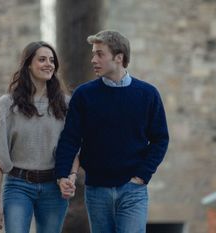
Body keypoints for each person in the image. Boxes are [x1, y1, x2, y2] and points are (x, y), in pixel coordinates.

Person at [55, 30, 169, 233]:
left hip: (133, 190)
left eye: (100, 54)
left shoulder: (147, 94)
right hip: (96, 190)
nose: (93, 60)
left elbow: (160, 139)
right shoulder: (84, 95)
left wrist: (142, 176)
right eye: (93, 54)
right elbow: (70, 138)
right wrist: (63, 174)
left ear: (119, 57)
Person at [0, 41, 79, 233]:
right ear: (28, 64)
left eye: (52, 60)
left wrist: (71, 177)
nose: (48, 64)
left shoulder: (66, 104)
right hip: (18, 186)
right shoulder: (7, 105)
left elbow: (74, 149)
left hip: (54, 187)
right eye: (42, 59)